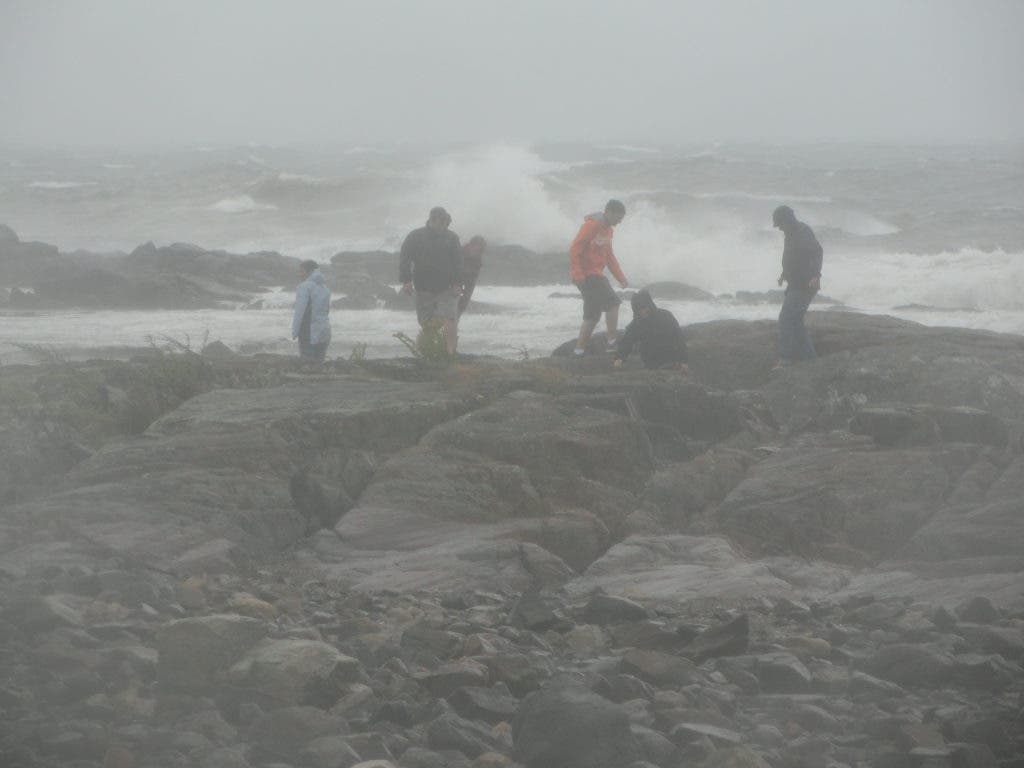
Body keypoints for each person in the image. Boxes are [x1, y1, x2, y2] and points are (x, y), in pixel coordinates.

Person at [399, 206, 462, 355]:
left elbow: (458, 262)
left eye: (446, 223)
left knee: (450, 318)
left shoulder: (452, 238)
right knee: (428, 326)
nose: (444, 227)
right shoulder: (415, 236)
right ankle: (421, 352)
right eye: (442, 223)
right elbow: (405, 259)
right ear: (432, 220)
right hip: (423, 288)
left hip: (447, 287)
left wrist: (457, 284)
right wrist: (406, 281)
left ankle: (450, 353)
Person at [569, 199, 629, 355]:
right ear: (609, 212)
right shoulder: (592, 225)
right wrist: (577, 273)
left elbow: (609, 257)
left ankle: (578, 352)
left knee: (592, 315)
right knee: (613, 303)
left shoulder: (609, 230)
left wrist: (621, 277)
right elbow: (575, 248)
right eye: (618, 217)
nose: (620, 222)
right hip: (587, 274)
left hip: (595, 274)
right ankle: (611, 342)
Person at [773, 205, 823, 366]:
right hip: (795, 283)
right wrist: (783, 275)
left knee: (785, 320)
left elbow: (817, 252)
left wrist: (816, 275)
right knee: (796, 321)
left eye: (780, 224)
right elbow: (792, 258)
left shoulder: (803, 232)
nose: (779, 228)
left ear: (787, 220)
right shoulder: (790, 233)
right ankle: (811, 360)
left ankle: (785, 359)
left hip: (805, 285)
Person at [612, 289, 689, 372]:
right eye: (638, 309)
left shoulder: (666, 316)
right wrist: (619, 358)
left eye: (644, 307)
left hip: (671, 361)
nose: (642, 311)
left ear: (650, 305)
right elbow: (627, 341)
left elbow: (679, 338)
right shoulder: (637, 323)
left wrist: (684, 361)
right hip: (651, 364)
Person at [291, 259, 331, 362]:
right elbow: (327, 311)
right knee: (320, 363)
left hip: (308, 331)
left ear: (309, 272)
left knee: (308, 364)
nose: (299, 274)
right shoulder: (325, 288)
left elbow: (300, 311)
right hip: (324, 330)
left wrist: (295, 332)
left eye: (301, 271)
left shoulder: (304, 287)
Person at [457, 235, 487, 317]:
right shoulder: (457, 253)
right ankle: (431, 329)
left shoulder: (477, 261)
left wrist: (461, 307)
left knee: (454, 317)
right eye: (476, 248)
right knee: (438, 316)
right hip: (445, 288)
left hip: (462, 287)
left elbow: (470, 285)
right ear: (470, 245)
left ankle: (452, 326)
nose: (477, 251)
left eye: (480, 250)